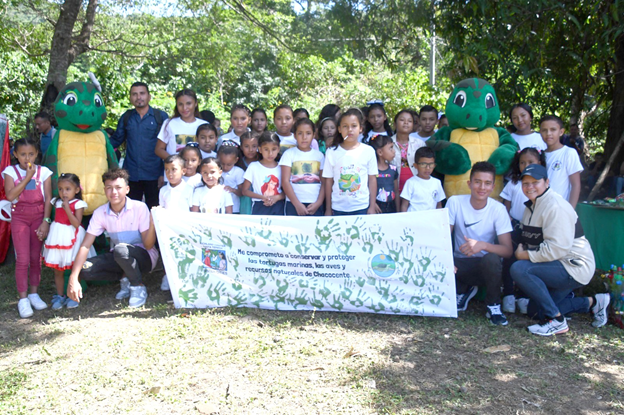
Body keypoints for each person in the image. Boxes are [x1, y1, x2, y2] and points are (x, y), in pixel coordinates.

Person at [510, 164, 610, 336]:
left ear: (547, 182)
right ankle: (594, 302)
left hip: (574, 266)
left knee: (519, 269)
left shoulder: (556, 206)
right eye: (526, 183)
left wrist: (523, 255)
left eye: (535, 182)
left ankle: (556, 321)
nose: (530, 187)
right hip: (555, 264)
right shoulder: (531, 206)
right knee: (536, 312)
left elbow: (556, 250)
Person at [66, 168, 157, 307]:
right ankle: (125, 278)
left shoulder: (139, 207)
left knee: (120, 250)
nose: (113, 192)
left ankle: (137, 286)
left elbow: (149, 245)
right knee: (85, 269)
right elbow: (85, 245)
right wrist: (73, 277)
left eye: (118, 188)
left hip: (145, 258)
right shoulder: (100, 213)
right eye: (109, 188)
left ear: (127, 189)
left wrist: (152, 223)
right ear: (104, 190)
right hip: (119, 256)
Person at [447, 161, 513, 326]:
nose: (482, 187)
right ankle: (463, 290)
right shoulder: (455, 202)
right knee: (440, 259)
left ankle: (493, 305)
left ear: (493, 187)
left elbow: (507, 250)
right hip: (458, 263)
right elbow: (443, 236)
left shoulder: (498, 209)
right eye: (477, 182)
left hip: (485, 267)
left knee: (492, 259)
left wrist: (482, 245)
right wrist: (445, 260)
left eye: (487, 183)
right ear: (469, 183)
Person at [2, 138, 52, 318]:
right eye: (22, 154)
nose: (27, 158)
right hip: (20, 217)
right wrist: (28, 178)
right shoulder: (10, 171)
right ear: (15, 155)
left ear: (37, 154)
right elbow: (10, 195)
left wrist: (46, 221)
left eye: (31, 154)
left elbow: (48, 198)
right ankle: (23, 299)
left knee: (35, 257)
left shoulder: (44, 172)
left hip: (38, 216)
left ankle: (34, 293)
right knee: (22, 258)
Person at [499, 148, 547, 313]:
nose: (526, 166)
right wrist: (510, 225)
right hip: (514, 228)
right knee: (510, 259)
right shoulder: (513, 183)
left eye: (531, 162)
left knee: (528, 261)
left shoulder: (541, 184)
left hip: (534, 229)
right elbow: (506, 207)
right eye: (522, 162)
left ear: (539, 163)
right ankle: (508, 295)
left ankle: (524, 297)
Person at [109, 82, 168, 209]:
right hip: (131, 174)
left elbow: (167, 147)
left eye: (142, 93)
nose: (138, 97)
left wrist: (164, 173)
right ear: (130, 98)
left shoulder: (160, 117)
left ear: (149, 96)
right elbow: (116, 140)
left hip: (155, 174)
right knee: (131, 211)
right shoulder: (127, 117)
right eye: (134, 94)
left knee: (155, 211)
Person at [42, 173, 94, 310]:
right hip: (58, 236)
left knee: (75, 267)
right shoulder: (56, 201)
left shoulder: (78, 204)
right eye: (60, 189)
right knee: (57, 269)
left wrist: (67, 209)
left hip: (73, 236)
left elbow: (76, 223)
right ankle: (60, 296)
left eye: (67, 189)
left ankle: (74, 295)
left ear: (76, 190)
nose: (63, 192)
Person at [322, 108, 378, 216]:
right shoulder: (331, 152)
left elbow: (372, 179)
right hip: (338, 207)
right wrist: (328, 209)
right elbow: (328, 181)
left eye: (354, 126)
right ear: (339, 129)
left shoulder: (368, 151)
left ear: (361, 128)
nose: (350, 130)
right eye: (345, 126)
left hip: (362, 206)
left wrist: (372, 206)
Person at [158, 154, 193, 291]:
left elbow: (192, 210)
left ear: (183, 171)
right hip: (168, 229)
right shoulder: (163, 190)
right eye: (167, 170)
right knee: (168, 252)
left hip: (184, 228)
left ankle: (185, 277)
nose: (170, 173)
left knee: (184, 253)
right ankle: (168, 276)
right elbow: (161, 209)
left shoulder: (189, 189)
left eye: (174, 169)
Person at [280, 118, 325, 216]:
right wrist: (297, 204)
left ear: (314, 135)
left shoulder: (319, 156)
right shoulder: (289, 154)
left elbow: (324, 182)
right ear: (295, 135)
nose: (304, 137)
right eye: (300, 133)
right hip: (293, 203)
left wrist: (318, 203)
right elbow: (285, 181)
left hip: (315, 203)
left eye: (308, 133)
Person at [540, 115, 583, 208]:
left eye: (553, 129)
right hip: (541, 208)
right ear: (540, 132)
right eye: (544, 130)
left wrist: (570, 211)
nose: (548, 133)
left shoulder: (569, 153)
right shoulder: (539, 155)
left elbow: (576, 185)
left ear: (561, 132)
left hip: (560, 209)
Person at [154, 89, 207, 160]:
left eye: (188, 103)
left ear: (196, 103)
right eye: (180, 104)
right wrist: (175, 162)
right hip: (174, 170)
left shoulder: (204, 125)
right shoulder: (169, 123)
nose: (184, 108)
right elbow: (159, 149)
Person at [241, 132, 285, 215]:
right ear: (260, 149)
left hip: (278, 205)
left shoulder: (282, 167)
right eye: (266, 149)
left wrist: (277, 197)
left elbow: (287, 191)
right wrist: (263, 197)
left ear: (279, 149)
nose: (270, 153)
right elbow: (245, 191)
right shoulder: (253, 166)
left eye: (274, 149)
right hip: (259, 205)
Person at [400, 147, 445, 212]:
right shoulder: (410, 182)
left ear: (434, 165)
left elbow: (439, 204)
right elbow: (404, 205)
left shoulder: (437, 182)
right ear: (415, 165)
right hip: (414, 219)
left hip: (431, 219)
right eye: (423, 164)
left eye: (431, 164)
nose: (427, 168)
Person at [392, 109, 426, 192]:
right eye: (402, 120)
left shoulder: (420, 144)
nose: (406, 123)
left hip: (416, 188)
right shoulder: (388, 144)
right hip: (395, 188)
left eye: (410, 121)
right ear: (395, 124)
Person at [367, 134, 399, 213]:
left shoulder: (393, 169)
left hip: (391, 207)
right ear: (380, 152)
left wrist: (398, 212)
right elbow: (366, 189)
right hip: (376, 207)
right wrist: (372, 203)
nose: (394, 151)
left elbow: (396, 191)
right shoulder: (370, 171)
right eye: (390, 148)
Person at [237, 131, 260, 215]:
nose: (251, 150)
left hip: (259, 198)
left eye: (254, 146)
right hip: (244, 199)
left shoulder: (262, 162)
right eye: (246, 146)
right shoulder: (238, 163)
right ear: (241, 147)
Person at [218, 142, 245, 214]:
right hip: (218, 207)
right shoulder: (216, 171)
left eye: (229, 164)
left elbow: (242, 192)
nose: (225, 167)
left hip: (234, 209)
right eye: (222, 163)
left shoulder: (238, 172)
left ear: (236, 160)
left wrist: (232, 190)